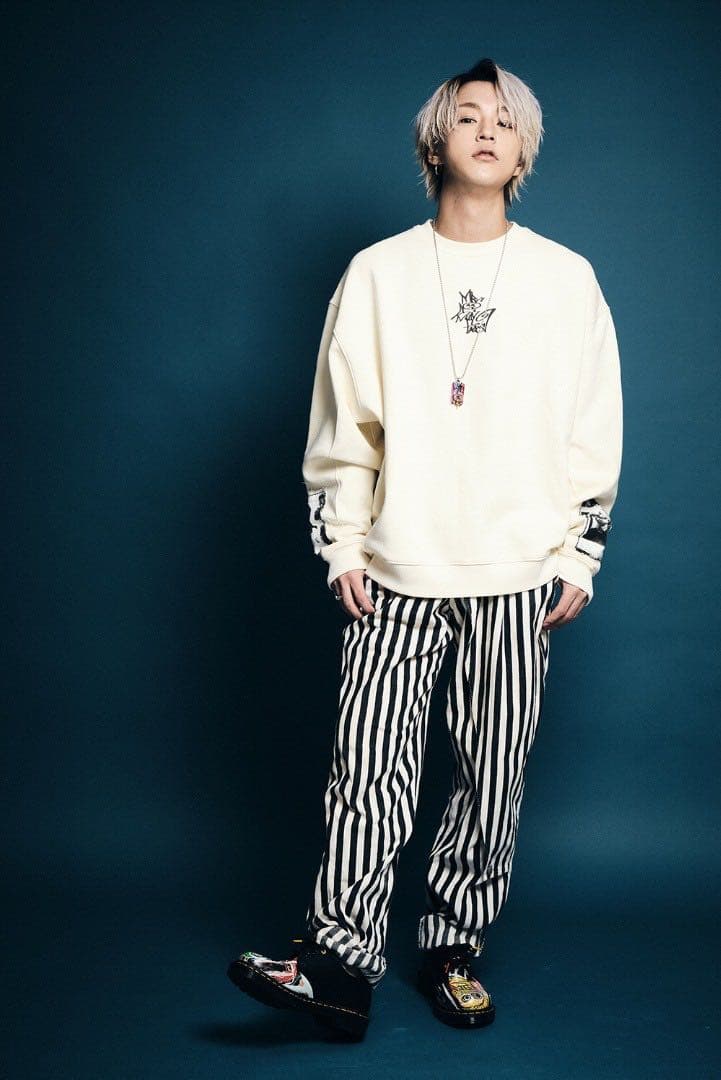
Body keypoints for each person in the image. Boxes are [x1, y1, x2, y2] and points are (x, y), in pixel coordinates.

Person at [227, 55, 623, 1042]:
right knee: (366, 772)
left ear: (523, 151)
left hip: (519, 572)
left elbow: (593, 425)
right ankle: (338, 967)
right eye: (468, 115)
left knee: (492, 778)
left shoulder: (565, 278)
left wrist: (579, 553)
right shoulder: (378, 273)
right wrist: (342, 546)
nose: (487, 129)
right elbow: (343, 425)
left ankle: (452, 949)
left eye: (505, 119)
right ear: (434, 142)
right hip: (395, 567)